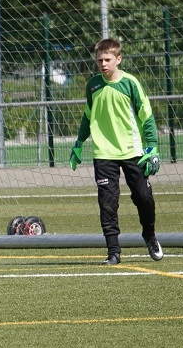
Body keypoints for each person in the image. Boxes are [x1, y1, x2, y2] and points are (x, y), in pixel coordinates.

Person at [69, 38, 163, 265]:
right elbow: (87, 117)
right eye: (99, 60)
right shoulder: (93, 85)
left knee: (143, 198)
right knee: (107, 203)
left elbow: (147, 117)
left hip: (133, 152)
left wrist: (152, 148)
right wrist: (79, 143)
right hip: (103, 154)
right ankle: (113, 252)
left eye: (107, 59)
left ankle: (150, 236)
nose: (103, 64)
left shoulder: (131, 83)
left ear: (118, 59)